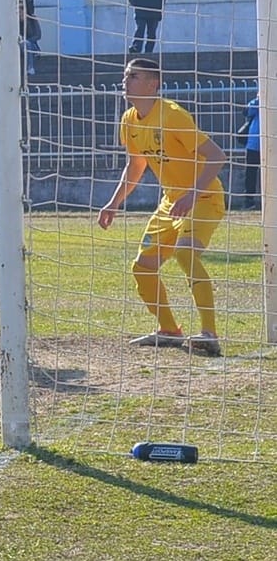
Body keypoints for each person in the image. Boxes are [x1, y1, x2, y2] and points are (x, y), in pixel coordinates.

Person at [96, 58, 225, 356]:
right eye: (125, 75)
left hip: (203, 198)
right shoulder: (129, 120)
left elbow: (217, 156)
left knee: (185, 253)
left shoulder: (173, 115)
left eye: (133, 76)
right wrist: (113, 203)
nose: (125, 81)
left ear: (153, 83)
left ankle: (209, 333)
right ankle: (169, 330)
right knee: (143, 268)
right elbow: (136, 164)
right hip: (172, 203)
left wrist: (192, 194)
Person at [235, 95, 260, 209]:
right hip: (254, 143)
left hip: (270, 143)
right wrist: (259, 99)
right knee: (250, 172)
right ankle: (249, 200)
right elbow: (246, 112)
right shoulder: (257, 103)